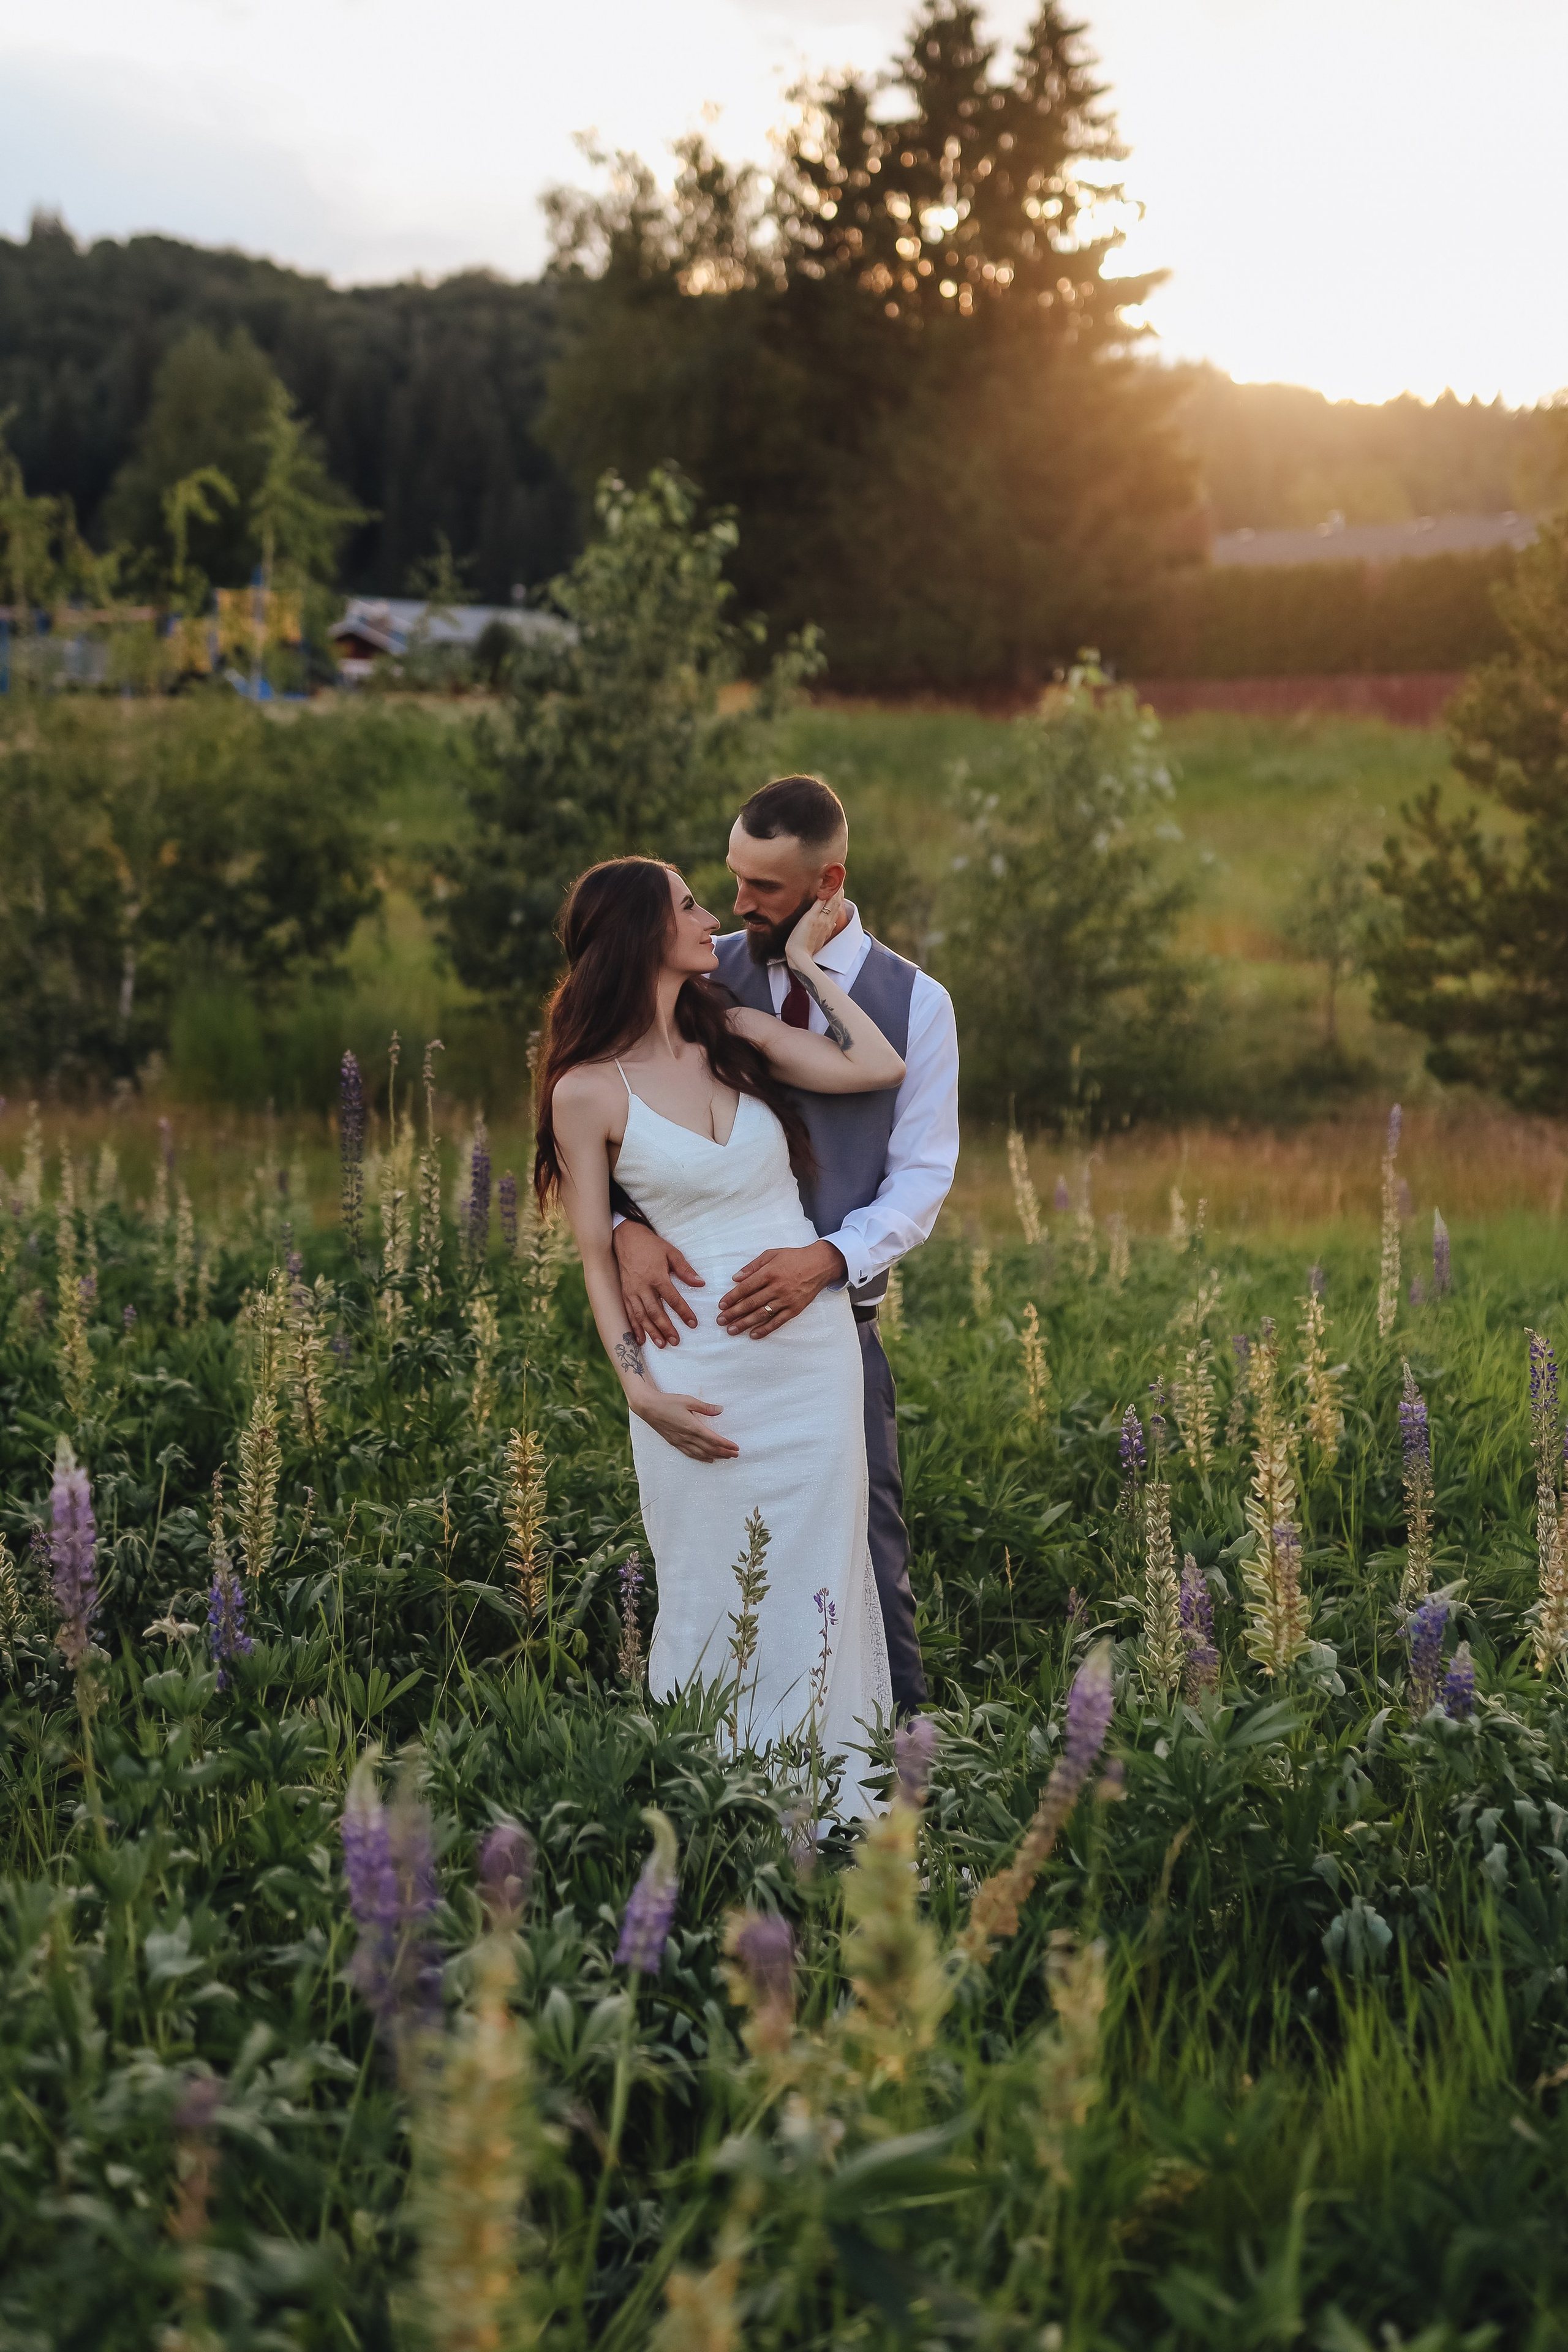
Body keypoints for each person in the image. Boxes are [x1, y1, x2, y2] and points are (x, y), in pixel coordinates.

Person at [536, 853, 911, 1785]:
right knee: (710, 1584)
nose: (712, 917)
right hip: (694, 1374)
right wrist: (638, 1393)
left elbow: (878, 1064)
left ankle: (836, 1802)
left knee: (823, 1575)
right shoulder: (585, 1091)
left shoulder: (735, 1033)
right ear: (638, 935)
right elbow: (592, 1252)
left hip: (812, 1366)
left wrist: (815, 968)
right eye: (690, 904)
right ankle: (722, 1799)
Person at [612, 775, 960, 1716]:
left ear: (828, 879)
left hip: (835, 1329)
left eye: (763, 888)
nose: (737, 906)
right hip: (700, 1324)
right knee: (710, 1549)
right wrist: (624, 1229)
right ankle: (712, 1758)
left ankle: (895, 1777)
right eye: (730, 879)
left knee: (868, 1552)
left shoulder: (917, 1004)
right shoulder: (696, 970)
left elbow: (925, 1177)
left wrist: (829, 1257)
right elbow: (609, 1105)